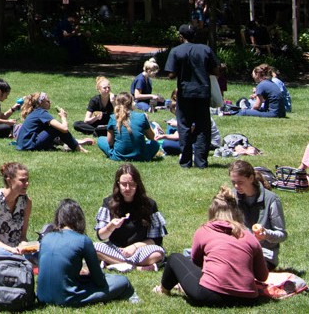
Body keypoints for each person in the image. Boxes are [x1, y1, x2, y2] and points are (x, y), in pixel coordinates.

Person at [154, 188, 268, 306]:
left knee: (174, 258)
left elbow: (196, 262)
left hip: (210, 295)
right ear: (237, 212)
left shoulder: (204, 230)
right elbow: (262, 276)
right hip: (248, 299)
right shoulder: (249, 237)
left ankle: (163, 289)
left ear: (212, 211)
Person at [37, 198, 135, 306]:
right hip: (68, 297)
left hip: (42, 296)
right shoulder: (83, 240)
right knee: (122, 281)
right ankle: (133, 297)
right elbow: (100, 281)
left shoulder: (46, 238)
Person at [163, 23, 223, 168]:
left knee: (184, 126)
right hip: (203, 93)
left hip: (185, 93)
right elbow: (217, 71)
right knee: (203, 126)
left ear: (180, 37)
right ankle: (201, 162)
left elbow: (170, 74)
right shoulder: (205, 49)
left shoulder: (176, 51)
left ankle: (185, 162)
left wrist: (180, 70)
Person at [94, 163, 167, 270]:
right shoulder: (109, 203)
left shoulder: (149, 205)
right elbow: (101, 236)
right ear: (118, 184)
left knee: (157, 253)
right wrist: (110, 227)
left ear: (137, 184)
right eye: (124, 184)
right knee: (92, 248)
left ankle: (113, 263)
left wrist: (134, 247)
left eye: (132, 184)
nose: (127, 188)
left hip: (140, 250)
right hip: (115, 248)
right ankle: (136, 267)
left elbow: (156, 240)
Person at [227, 160, 287, 266]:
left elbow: (282, 235)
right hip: (238, 250)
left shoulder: (271, 200)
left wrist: (266, 234)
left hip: (264, 254)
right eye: (233, 183)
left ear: (251, 178)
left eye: (240, 182)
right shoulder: (232, 197)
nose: (236, 186)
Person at [0, 162, 38, 260]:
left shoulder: (26, 202)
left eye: (27, 180)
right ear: (9, 181)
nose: (27, 184)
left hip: (16, 251)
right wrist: (11, 250)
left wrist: (24, 245)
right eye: (22, 180)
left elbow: (22, 236)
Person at [95, 93, 159, 162]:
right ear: (131, 103)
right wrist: (148, 121)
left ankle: (117, 152)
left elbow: (110, 142)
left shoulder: (113, 118)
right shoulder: (141, 117)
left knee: (100, 139)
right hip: (141, 156)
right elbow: (152, 137)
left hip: (119, 156)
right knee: (155, 144)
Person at [14, 93, 83, 152]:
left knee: (52, 128)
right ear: (41, 103)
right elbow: (64, 129)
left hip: (22, 145)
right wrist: (63, 117)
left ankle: (72, 145)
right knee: (57, 128)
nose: (50, 103)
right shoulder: (41, 112)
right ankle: (78, 148)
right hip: (30, 146)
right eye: (47, 101)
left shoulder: (35, 112)